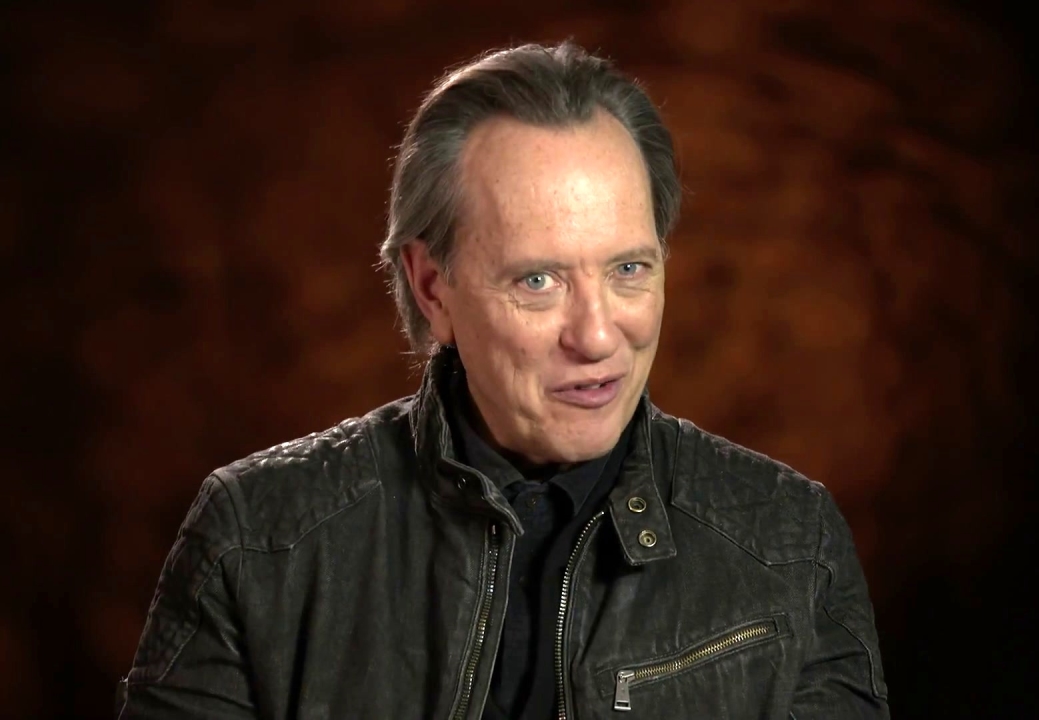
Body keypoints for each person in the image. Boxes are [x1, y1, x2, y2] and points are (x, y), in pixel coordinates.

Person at [117, 41, 890, 720]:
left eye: (628, 269)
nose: (597, 336)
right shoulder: (255, 541)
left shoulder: (791, 542)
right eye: (537, 281)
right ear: (432, 288)